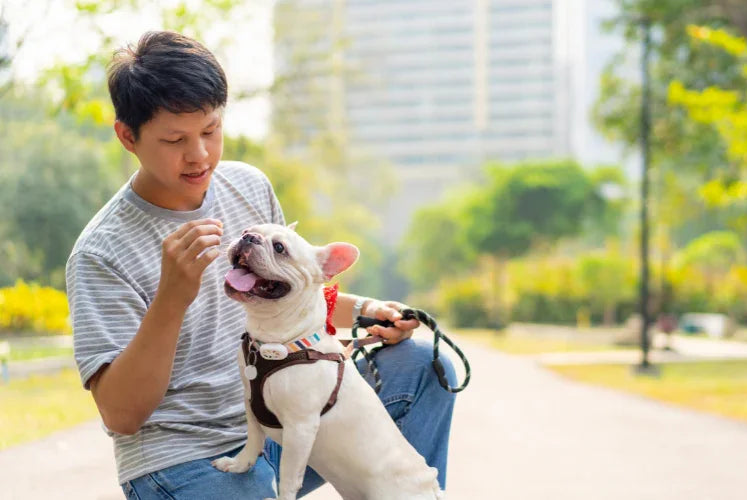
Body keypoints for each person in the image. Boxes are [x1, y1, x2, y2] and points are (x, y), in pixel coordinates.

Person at [64, 30, 456, 499]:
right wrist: (172, 297)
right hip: (185, 458)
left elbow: (288, 293)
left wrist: (369, 310)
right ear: (128, 136)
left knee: (421, 368)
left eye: (210, 130)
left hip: (282, 421)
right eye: (175, 139)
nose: (200, 155)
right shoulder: (101, 252)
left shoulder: (246, 186)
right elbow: (122, 415)